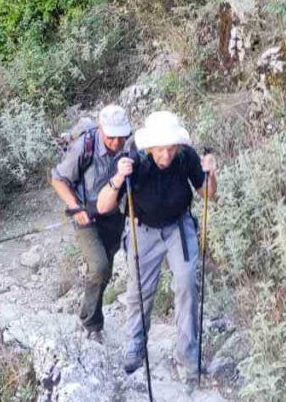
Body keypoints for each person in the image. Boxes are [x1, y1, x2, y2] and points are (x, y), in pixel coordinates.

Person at [95, 111, 217, 378]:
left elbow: (207, 194)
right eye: (161, 149)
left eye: (171, 148)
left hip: (178, 227)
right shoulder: (133, 162)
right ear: (150, 148)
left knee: (187, 282)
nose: (167, 155)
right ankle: (136, 345)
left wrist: (210, 174)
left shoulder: (185, 156)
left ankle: (188, 353)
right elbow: (103, 206)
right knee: (140, 289)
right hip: (143, 230)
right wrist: (118, 178)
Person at [50, 105, 134, 343]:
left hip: (114, 216)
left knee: (104, 270)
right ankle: (92, 324)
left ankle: (90, 314)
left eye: (121, 136)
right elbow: (58, 179)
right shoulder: (85, 147)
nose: (117, 142)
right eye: (111, 137)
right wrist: (75, 208)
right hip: (86, 216)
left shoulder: (130, 146)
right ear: (100, 129)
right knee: (99, 267)